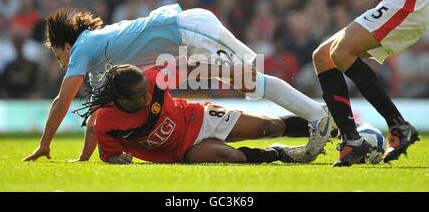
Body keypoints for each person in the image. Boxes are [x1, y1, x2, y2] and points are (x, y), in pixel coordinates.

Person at [23, 4, 334, 162]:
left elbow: (62, 101)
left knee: (250, 79)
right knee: (251, 80)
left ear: (65, 45)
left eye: (56, 55)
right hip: (185, 40)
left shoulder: (82, 49)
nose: (60, 62)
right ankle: (325, 119)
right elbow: (96, 116)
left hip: (188, 30)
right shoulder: (97, 61)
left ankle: (319, 116)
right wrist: (84, 156)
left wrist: (45, 143)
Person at [312, 0, 429, 167]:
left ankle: (398, 126)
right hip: (392, 1)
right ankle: (352, 140)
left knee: (341, 52)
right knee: (322, 56)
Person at [85, 63, 321, 164]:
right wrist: (117, 158)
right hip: (182, 151)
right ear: (121, 100)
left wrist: (228, 72)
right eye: (139, 97)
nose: (147, 97)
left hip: (198, 118)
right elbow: (109, 154)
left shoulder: (154, 77)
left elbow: (191, 70)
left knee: (270, 127)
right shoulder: (107, 120)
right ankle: (277, 154)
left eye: (146, 92)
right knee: (232, 157)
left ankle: (330, 127)